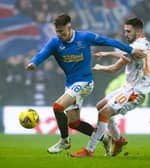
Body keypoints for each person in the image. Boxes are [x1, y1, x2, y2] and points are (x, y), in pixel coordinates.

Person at [26, 14, 142, 154]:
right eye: (57, 32)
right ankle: (105, 138)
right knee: (74, 123)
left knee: (57, 107)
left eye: (62, 31)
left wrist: (131, 49)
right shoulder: (55, 42)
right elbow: (42, 53)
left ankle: (64, 141)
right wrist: (34, 62)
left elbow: (108, 41)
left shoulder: (84, 37)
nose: (60, 35)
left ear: (69, 28)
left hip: (85, 82)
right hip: (71, 84)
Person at [70, 17, 150, 157]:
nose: (126, 34)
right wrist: (107, 56)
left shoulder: (138, 46)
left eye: (128, 31)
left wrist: (102, 63)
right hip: (127, 88)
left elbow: (114, 68)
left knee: (104, 113)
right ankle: (118, 139)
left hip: (135, 92)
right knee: (99, 106)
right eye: (125, 31)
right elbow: (123, 59)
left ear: (138, 31)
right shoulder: (143, 44)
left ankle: (90, 150)